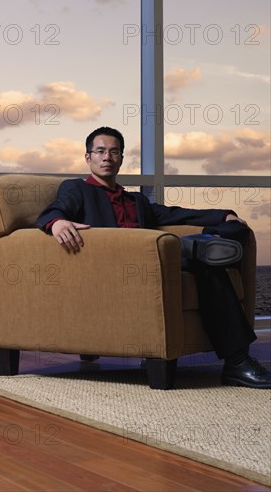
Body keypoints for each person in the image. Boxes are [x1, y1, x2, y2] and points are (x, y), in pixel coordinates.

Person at [37, 126, 271, 389]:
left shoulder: (135, 200)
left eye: (114, 152)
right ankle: (237, 361)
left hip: (157, 265)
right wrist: (56, 223)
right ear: (87, 157)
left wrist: (224, 215)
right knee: (205, 264)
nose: (107, 157)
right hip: (119, 268)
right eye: (100, 151)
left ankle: (198, 247)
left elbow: (176, 214)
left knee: (231, 232)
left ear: (122, 158)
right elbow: (52, 211)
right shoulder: (77, 189)